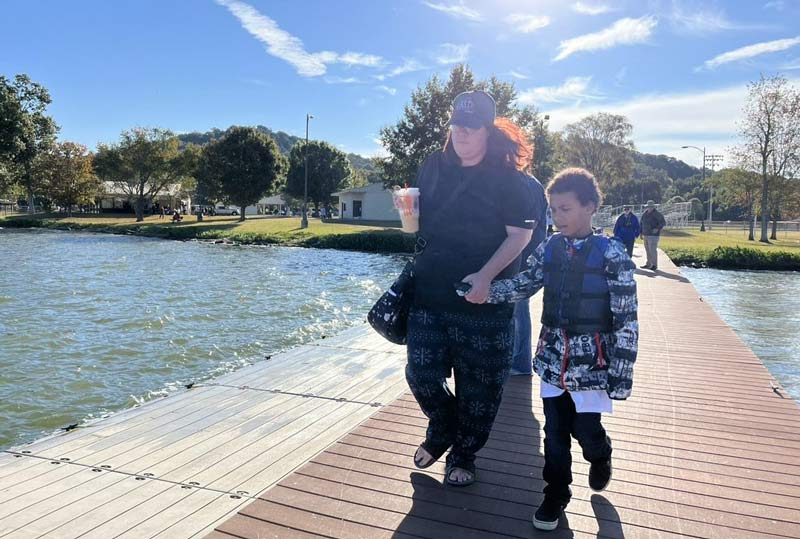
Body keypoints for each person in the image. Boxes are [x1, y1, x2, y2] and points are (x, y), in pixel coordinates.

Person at [485, 167, 638, 531]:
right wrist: (484, 289)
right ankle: (555, 495)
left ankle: (601, 455)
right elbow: (524, 283)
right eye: (553, 210)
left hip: (593, 368)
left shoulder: (613, 255)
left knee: (585, 431)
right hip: (553, 361)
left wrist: (621, 376)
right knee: (553, 434)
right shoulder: (549, 247)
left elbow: (627, 321)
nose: (557, 217)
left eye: (565, 209)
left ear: (590, 206)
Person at [407, 90, 537, 487]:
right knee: (421, 373)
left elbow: (519, 237)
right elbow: (417, 222)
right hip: (430, 291)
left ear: (487, 130)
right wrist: (408, 215)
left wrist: (484, 277)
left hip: (483, 301)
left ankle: (464, 456)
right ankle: (442, 427)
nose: (460, 132)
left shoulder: (510, 181)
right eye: (455, 124)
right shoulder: (433, 166)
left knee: (480, 390)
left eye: (470, 125)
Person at [510, 174, 547, 376]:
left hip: (521, 260)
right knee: (516, 312)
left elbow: (529, 227)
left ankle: (520, 363)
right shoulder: (528, 182)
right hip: (520, 258)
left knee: (518, 312)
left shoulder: (526, 184)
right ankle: (516, 360)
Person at [640, 200, 666, 270]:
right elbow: (641, 223)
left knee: (652, 250)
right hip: (645, 234)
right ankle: (648, 264)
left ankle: (654, 265)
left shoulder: (657, 214)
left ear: (653, 207)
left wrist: (657, 228)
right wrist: (640, 233)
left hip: (653, 236)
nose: (649, 208)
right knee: (647, 250)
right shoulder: (644, 214)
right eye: (648, 207)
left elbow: (663, 223)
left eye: (651, 207)